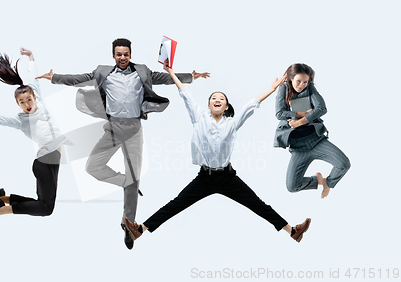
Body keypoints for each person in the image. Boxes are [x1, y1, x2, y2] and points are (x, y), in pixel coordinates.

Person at [36, 38, 209, 250]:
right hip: (113, 128)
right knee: (93, 167)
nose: (123, 58)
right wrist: (54, 77)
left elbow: (165, 78)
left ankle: (128, 224)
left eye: (126, 54)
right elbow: (79, 79)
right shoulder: (103, 72)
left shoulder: (142, 71)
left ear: (130, 54)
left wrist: (191, 76)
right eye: (119, 54)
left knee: (134, 176)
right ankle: (127, 183)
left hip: (134, 129)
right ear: (113, 55)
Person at [123, 60, 311, 246]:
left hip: (228, 177)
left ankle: (293, 232)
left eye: (221, 99)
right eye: (214, 98)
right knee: (176, 204)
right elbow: (185, 94)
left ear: (226, 106)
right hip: (205, 178)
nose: (217, 100)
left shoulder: (232, 124)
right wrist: (171, 72)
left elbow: (252, 104)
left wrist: (272, 89)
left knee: (258, 205)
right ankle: (139, 230)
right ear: (209, 105)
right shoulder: (199, 118)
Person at [0, 48, 66, 217]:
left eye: (29, 99)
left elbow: (33, 79)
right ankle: (5, 209)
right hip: (45, 161)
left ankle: (1, 198)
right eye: (22, 102)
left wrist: (31, 57)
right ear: (18, 104)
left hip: (51, 161)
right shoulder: (21, 122)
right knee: (46, 209)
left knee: (42, 205)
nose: (27, 103)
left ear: (34, 97)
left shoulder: (39, 102)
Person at [274, 63, 351, 198]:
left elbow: (321, 109)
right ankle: (319, 181)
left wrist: (300, 122)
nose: (301, 85)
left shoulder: (310, 88)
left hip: (317, 141)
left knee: (344, 164)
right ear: (291, 78)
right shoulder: (283, 89)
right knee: (292, 187)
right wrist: (302, 114)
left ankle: (328, 183)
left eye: (305, 81)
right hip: (299, 149)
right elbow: (279, 114)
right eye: (298, 81)